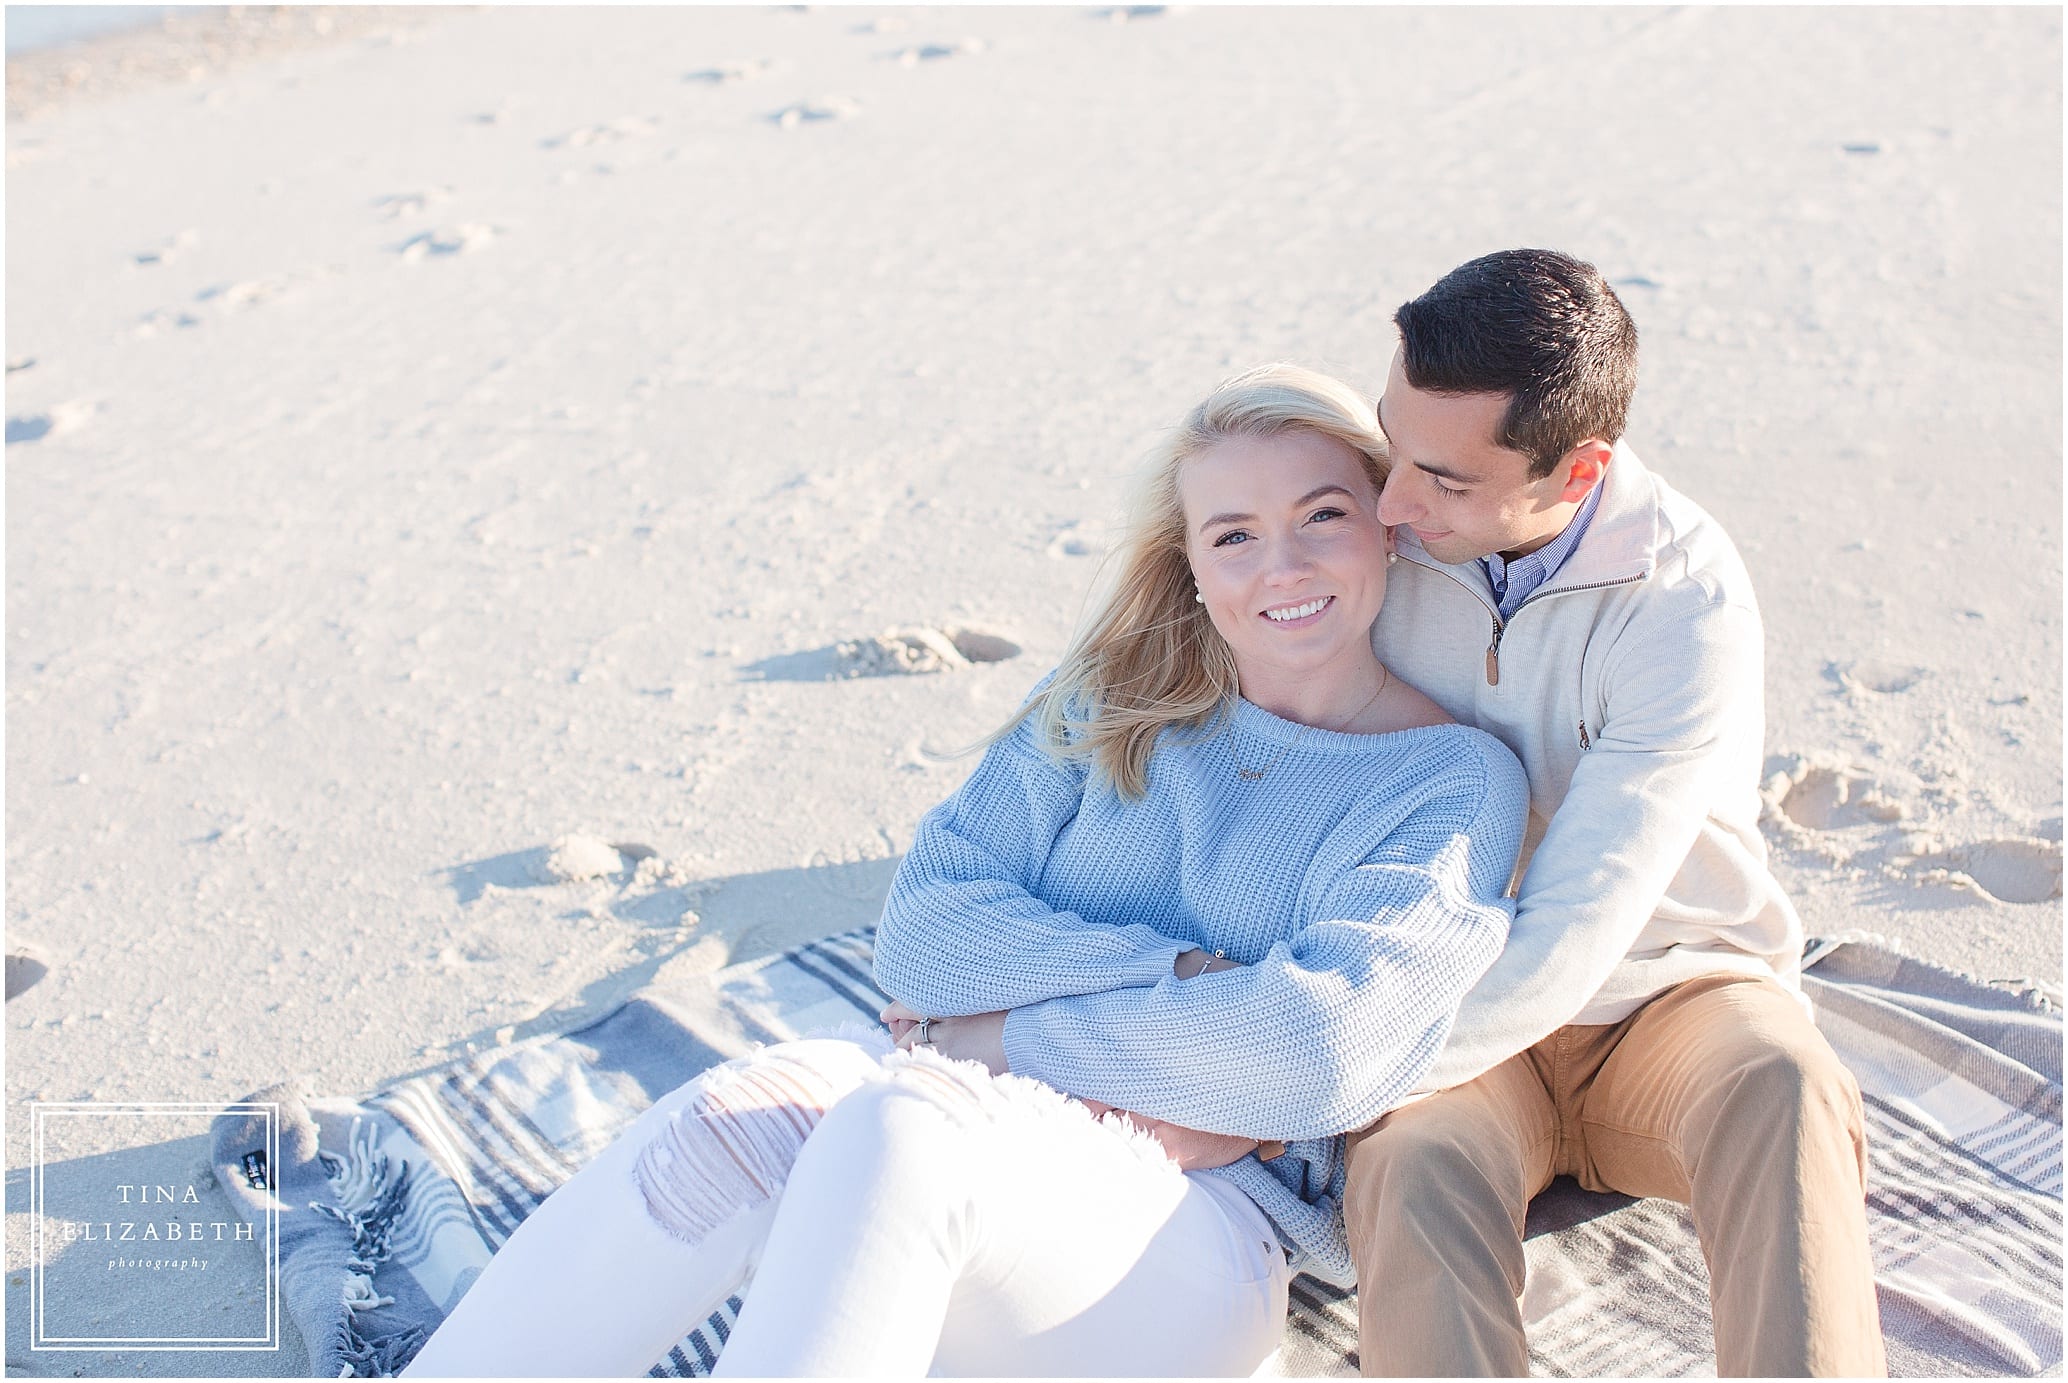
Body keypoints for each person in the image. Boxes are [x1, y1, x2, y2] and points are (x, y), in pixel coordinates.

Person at [404, 363, 1529, 1378]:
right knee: (749, 1108)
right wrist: (1194, 980)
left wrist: (995, 1038)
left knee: (902, 1124)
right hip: (952, 1162)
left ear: (1385, 530)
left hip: (1184, 1245)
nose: (1278, 565)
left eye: (1320, 517)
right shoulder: (1106, 706)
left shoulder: (1446, 780)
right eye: (1231, 534)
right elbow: (925, 935)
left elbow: (1311, 1047)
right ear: (1187, 565)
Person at [1342, 248, 1887, 1377]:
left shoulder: (1683, 600)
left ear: (1578, 472)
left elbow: (1587, 909)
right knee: (1407, 1163)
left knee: (1786, 1088)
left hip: (1668, 995)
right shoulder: (1376, 526)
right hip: (1449, 983)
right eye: (1392, 441)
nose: (1390, 501)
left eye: (1444, 480)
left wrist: (1329, 1070)